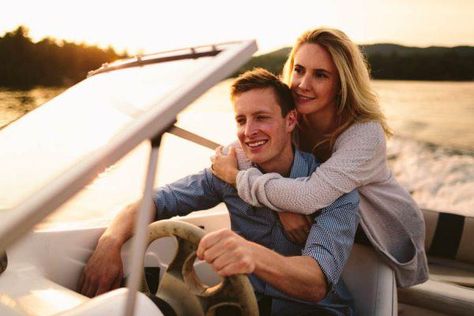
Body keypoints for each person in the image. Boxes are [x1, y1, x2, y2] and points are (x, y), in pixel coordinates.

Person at [79, 68, 360, 315]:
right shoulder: (227, 173)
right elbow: (155, 201)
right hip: (242, 304)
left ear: (290, 121)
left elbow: (316, 282)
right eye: (241, 120)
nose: (249, 131)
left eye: (261, 117)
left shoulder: (332, 190)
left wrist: (252, 255)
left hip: (314, 312)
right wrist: (110, 243)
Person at [210, 27, 429, 288]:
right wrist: (280, 205)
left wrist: (236, 178)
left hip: (381, 232)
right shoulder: (293, 119)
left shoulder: (365, 134)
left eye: (320, 75)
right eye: (299, 70)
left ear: (341, 84)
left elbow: (309, 197)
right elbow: (243, 150)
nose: (303, 84)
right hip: (333, 226)